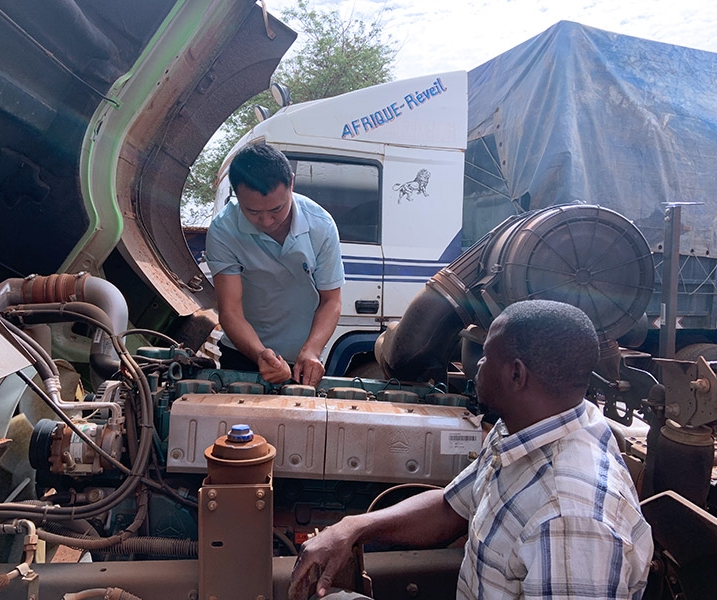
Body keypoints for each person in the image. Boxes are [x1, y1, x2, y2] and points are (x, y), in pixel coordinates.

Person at [289, 299, 654, 600]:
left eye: (486, 356)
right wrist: (352, 528)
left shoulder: (571, 519)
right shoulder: (524, 428)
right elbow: (452, 507)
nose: (475, 365)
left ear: (516, 374)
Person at [205, 143, 344, 386]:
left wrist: (311, 351)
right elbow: (230, 311)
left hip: (303, 361)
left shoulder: (321, 225)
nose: (267, 221)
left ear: (291, 183)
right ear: (236, 193)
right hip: (243, 354)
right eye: (253, 211)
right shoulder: (223, 230)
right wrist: (260, 354)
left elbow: (331, 300)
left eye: (277, 209)